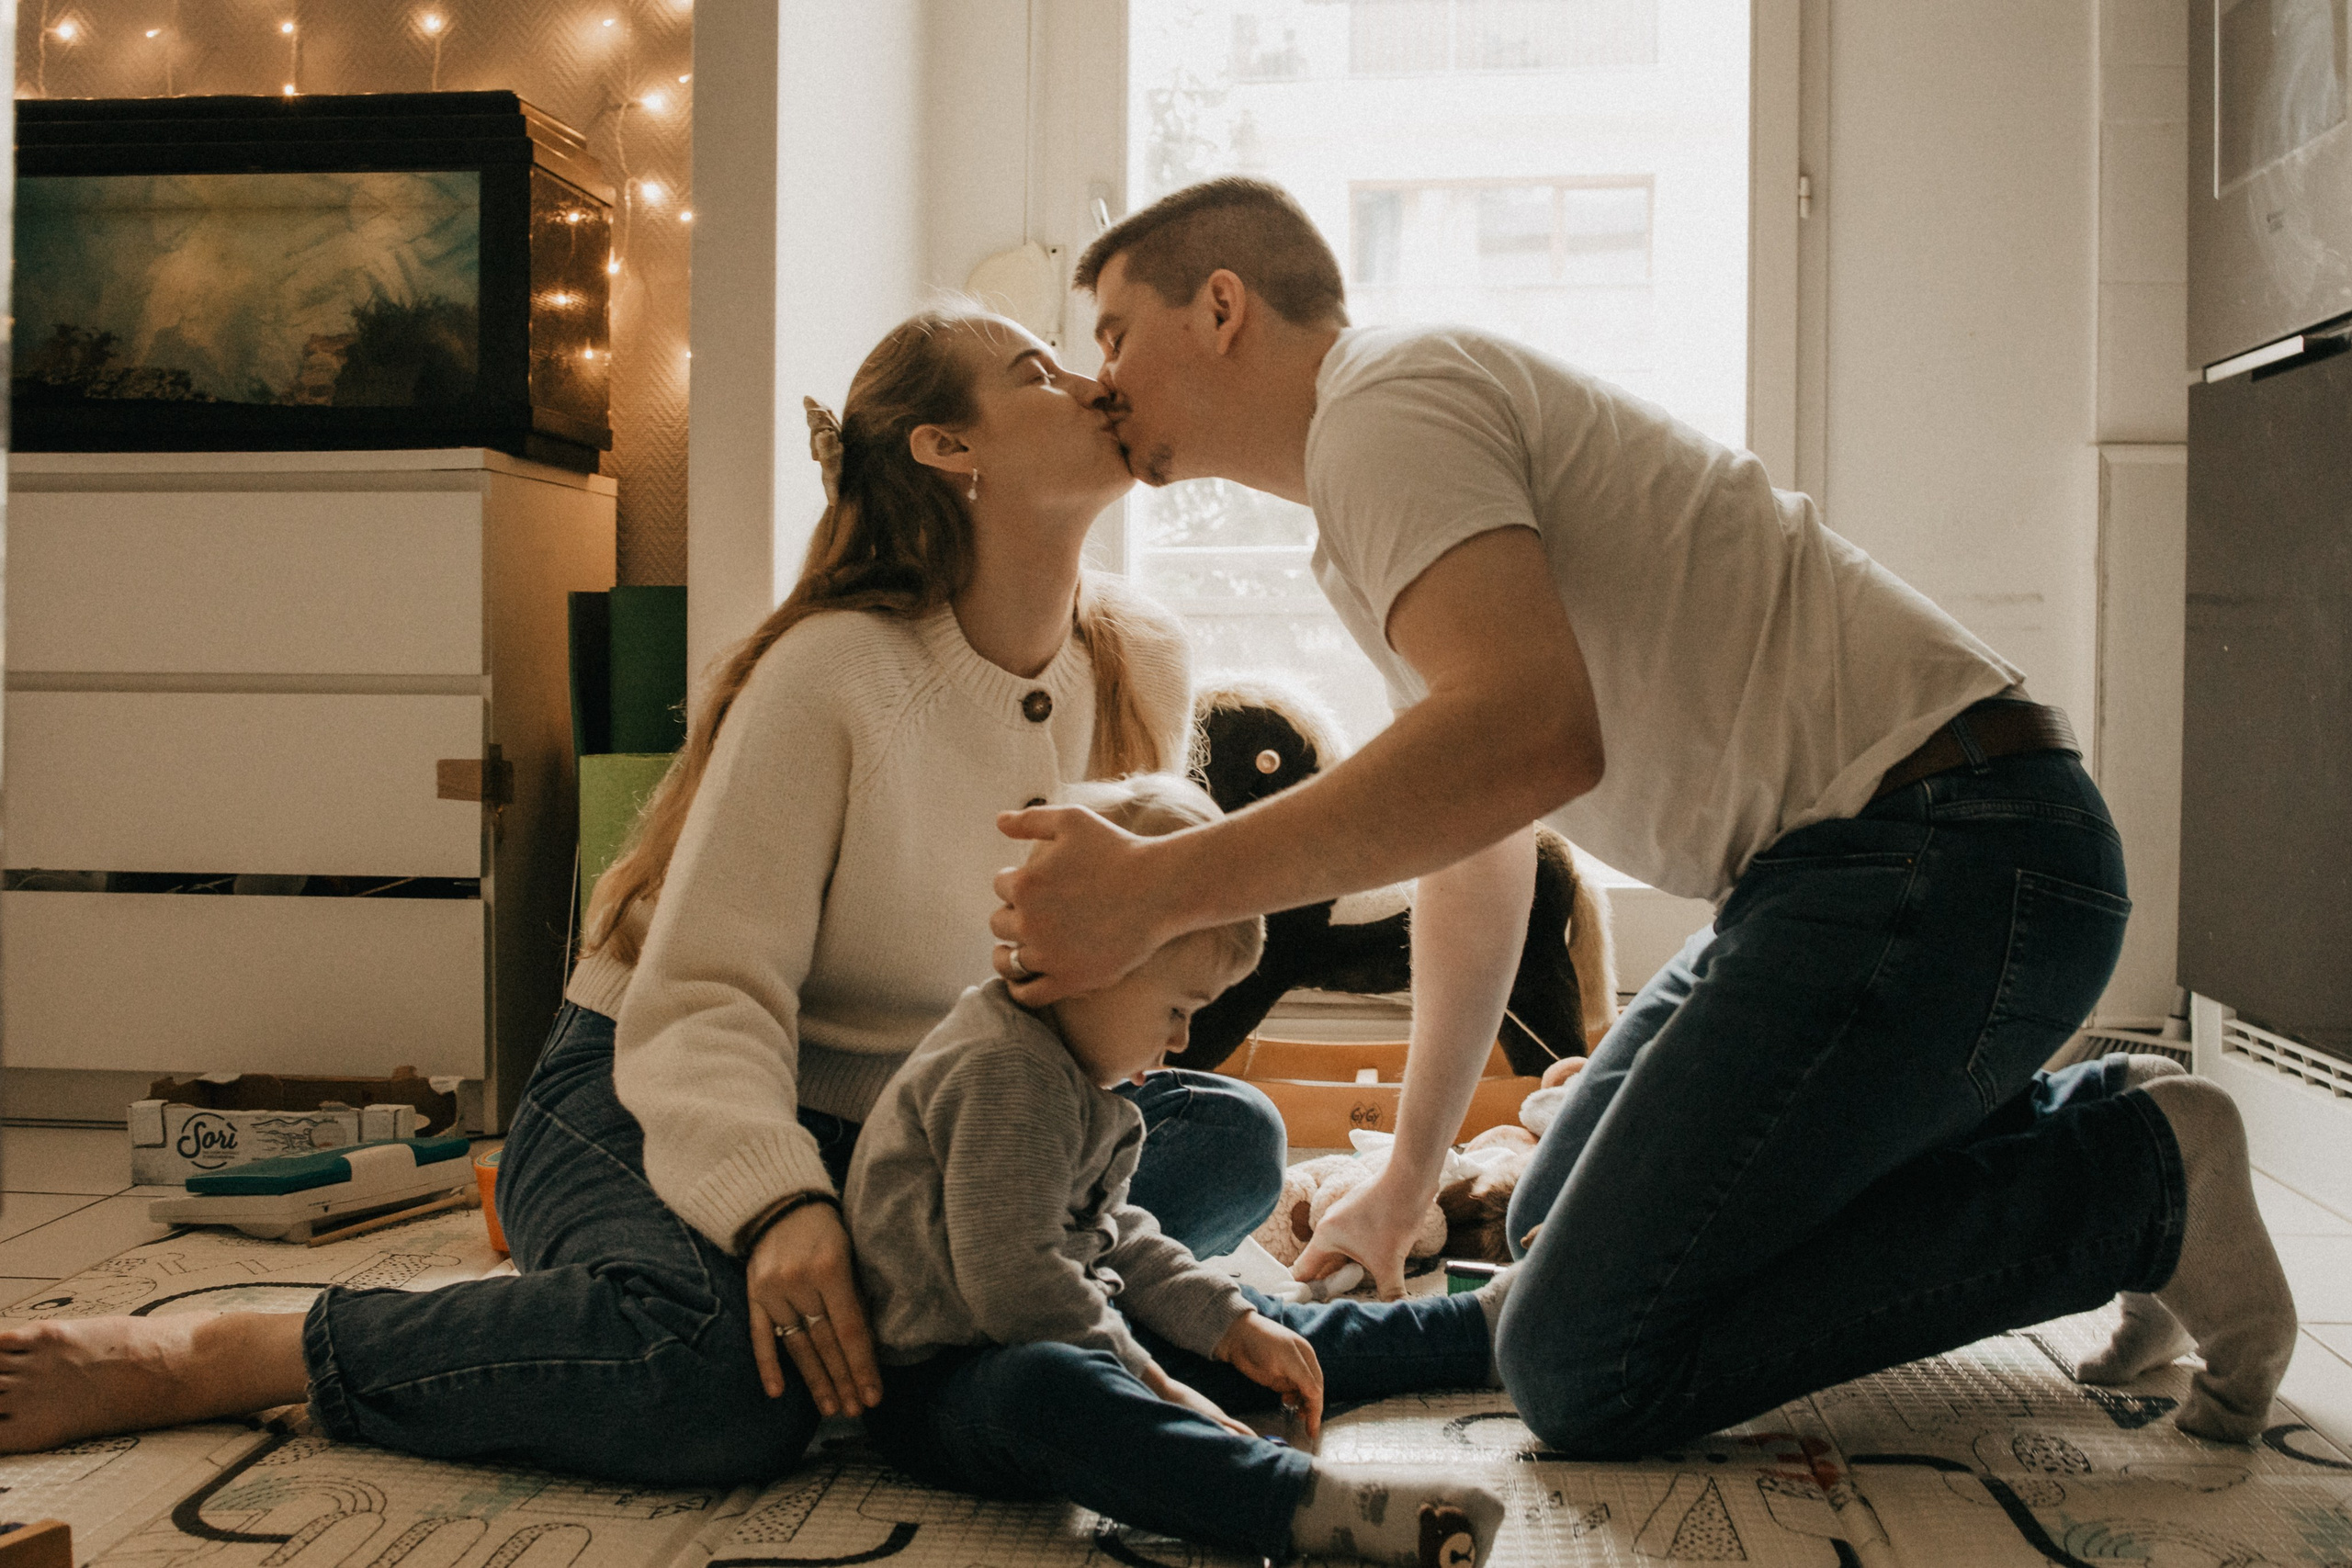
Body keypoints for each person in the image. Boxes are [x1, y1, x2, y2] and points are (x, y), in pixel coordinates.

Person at [984, 177, 2298, 1453]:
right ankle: (2082, 1115)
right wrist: (1404, 1178)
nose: (1101, 377)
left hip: (1957, 854)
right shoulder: (1372, 483)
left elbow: (1531, 736)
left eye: (1114, 331)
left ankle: (2135, 1182)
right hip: (1872, 871)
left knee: (1585, 1360)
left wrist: (1163, 885)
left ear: (1221, 306)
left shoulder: (1383, 407)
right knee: (1552, 1209)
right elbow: (1475, 840)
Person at [0, 310, 1288, 1481]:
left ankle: (871, 1305)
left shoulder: (1138, 663)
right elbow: (703, 998)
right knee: (717, 1378)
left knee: (1227, 1139)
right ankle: (247, 1349)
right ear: (950, 445)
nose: (1090, 381)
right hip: (651, 1077)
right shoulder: (836, 673)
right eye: (1040, 371)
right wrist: (781, 1204)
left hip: (931, 1117)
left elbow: (1089, 1011)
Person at [852, 773, 1506, 1568]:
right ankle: (1298, 1503)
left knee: (1251, 1329)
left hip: (1052, 1321)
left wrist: (1229, 1323)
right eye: (1177, 1009)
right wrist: (1154, 1381)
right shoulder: (1005, 1072)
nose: (1185, 1041)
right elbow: (1017, 1287)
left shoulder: (1071, 1071)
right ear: (1094, 962)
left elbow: (1115, 1235)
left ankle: (1470, 1331)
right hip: (945, 1384)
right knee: (1054, 1390)